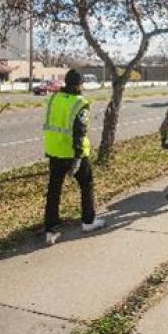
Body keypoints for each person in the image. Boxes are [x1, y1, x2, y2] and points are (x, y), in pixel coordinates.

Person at [43, 69, 105, 245]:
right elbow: (79, 132)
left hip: (54, 151)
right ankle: (88, 221)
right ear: (80, 84)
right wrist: (78, 157)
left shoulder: (54, 98)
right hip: (73, 153)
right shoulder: (81, 103)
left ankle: (50, 230)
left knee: (54, 190)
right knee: (87, 185)